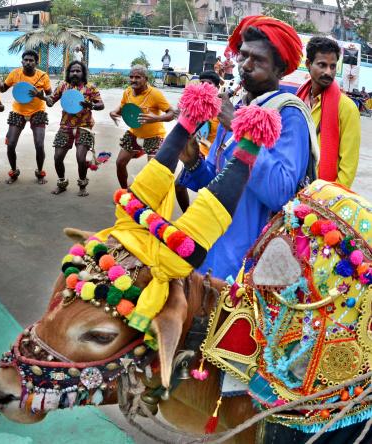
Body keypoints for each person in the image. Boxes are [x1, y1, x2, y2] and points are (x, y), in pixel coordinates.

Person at [177, 15, 318, 285]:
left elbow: (280, 193)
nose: (245, 66)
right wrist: (193, 161)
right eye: (243, 56)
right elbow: (220, 182)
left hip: (252, 263)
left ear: (280, 69)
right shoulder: (238, 107)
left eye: (259, 60)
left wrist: (236, 128)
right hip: (211, 246)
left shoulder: (290, 116)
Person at [297, 36, 360, 188]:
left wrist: (329, 200)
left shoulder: (347, 108)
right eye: (322, 65)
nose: (328, 72)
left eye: (333, 66)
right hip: (293, 187)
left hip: (323, 196)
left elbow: (348, 167)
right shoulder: (298, 100)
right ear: (308, 64)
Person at [35, 61, 104, 196]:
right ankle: (62, 183)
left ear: (83, 73)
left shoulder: (90, 88)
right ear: (69, 73)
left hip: (84, 126)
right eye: (72, 71)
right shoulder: (63, 86)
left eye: (78, 71)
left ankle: (82, 185)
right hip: (65, 126)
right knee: (58, 157)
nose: (75, 73)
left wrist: (91, 106)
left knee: (81, 158)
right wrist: (41, 97)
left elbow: (101, 105)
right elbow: (51, 102)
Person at [109, 65, 177, 189]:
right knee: (120, 163)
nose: (133, 80)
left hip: (154, 136)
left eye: (137, 77)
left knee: (152, 171)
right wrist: (113, 112)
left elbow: (172, 113)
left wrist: (156, 118)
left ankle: (144, 197)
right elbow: (123, 106)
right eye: (131, 77)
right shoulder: (128, 91)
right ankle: (124, 191)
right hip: (134, 134)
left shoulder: (155, 94)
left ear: (146, 79)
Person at [0, 49, 52, 184]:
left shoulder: (43, 76)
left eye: (31, 60)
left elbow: (50, 99)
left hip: (38, 112)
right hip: (18, 112)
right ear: (22, 61)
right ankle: (14, 171)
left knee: (39, 144)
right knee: (11, 144)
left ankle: (40, 172)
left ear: (36, 63)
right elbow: (3, 89)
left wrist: (40, 95)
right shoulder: (15, 74)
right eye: (25, 60)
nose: (28, 62)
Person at [176, 70, 222, 212]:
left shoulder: (223, 109)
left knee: (210, 196)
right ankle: (186, 214)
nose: (204, 86)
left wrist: (208, 144)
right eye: (202, 82)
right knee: (178, 186)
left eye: (209, 83)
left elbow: (226, 139)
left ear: (217, 88)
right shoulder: (195, 105)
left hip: (215, 159)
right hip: (197, 154)